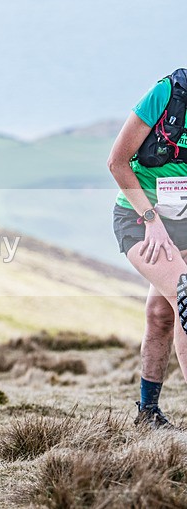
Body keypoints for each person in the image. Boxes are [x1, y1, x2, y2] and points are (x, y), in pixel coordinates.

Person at [108, 68, 187, 428]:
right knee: (185, 293)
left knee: (162, 314)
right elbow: (117, 161)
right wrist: (152, 218)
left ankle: (147, 413)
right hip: (140, 218)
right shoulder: (167, 93)